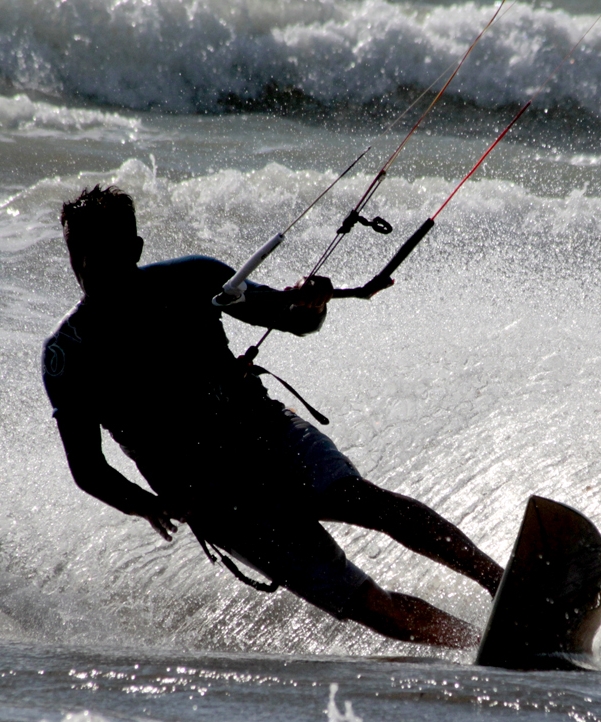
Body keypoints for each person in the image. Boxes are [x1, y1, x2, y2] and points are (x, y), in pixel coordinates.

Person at [41, 185, 503, 647]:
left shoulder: (194, 279)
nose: (89, 267)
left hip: (269, 435)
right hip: (212, 497)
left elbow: (294, 321)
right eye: (79, 254)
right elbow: (88, 468)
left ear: (135, 250)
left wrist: (311, 302)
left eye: (104, 253)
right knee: (360, 601)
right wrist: (147, 505)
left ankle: (499, 581)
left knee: (360, 500)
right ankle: (478, 646)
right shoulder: (68, 352)